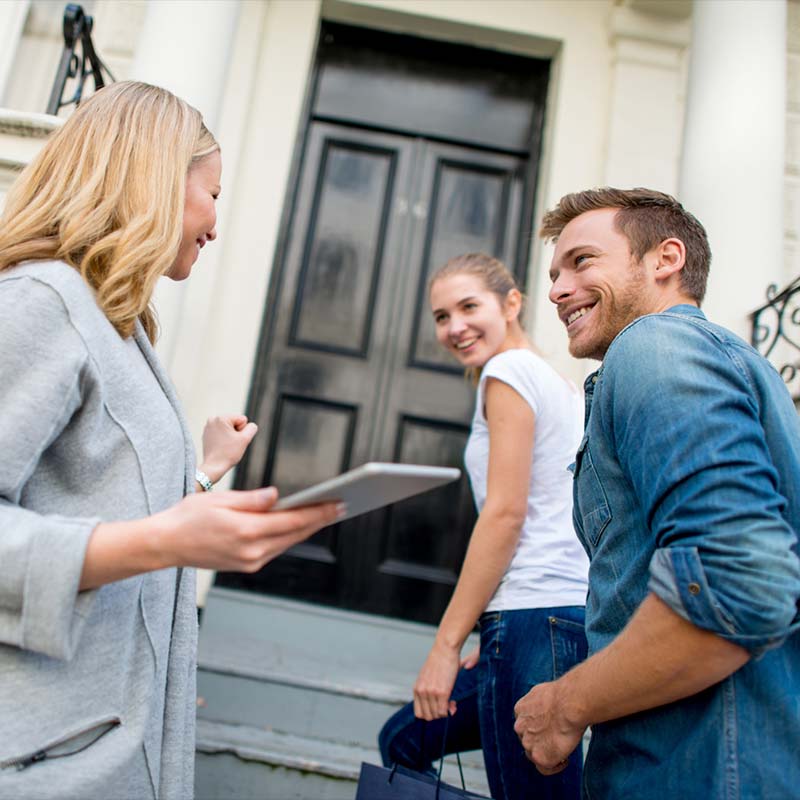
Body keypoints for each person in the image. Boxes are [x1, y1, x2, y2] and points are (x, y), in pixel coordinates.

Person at [0, 81, 342, 799]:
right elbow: (133, 542)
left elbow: (90, 501)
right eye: (212, 193)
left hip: (109, 751)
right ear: (153, 180)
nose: (217, 222)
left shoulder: (119, 325)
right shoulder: (40, 303)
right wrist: (164, 543)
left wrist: (204, 475)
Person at [513, 187, 800, 798]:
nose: (559, 289)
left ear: (665, 259)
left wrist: (567, 705)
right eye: (554, 274)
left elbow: (738, 583)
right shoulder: (730, 363)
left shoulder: (656, 346)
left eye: (582, 261)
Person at [379, 253, 589, 800]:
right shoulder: (561, 384)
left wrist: (446, 646)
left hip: (530, 615)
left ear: (512, 302)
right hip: (555, 617)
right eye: (441, 316)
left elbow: (505, 513)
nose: (454, 328)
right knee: (404, 741)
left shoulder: (506, 372)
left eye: (469, 307)